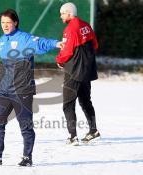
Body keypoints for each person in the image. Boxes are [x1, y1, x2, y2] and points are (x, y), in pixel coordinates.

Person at [0, 9, 62, 166]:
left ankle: (27, 158)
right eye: (2, 23)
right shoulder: (2, 39)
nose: (5, 26)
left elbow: (41, 43)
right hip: (3, 89)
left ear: (15, 23)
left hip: (22, 89)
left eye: (8, 22)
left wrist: (56, 43)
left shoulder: (25, 38)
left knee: (25, 126)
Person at [56, 2, 100, 146]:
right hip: (87, 70)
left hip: (74, 70)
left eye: (62, 13)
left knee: (68, 103)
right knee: (86, 101)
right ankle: (93, 130)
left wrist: (59, 60)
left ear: (69, 13)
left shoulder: (70, 29)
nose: (60, 16)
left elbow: (67, 51)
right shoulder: (86, 25)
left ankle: (72, 136)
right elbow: (95, 44)